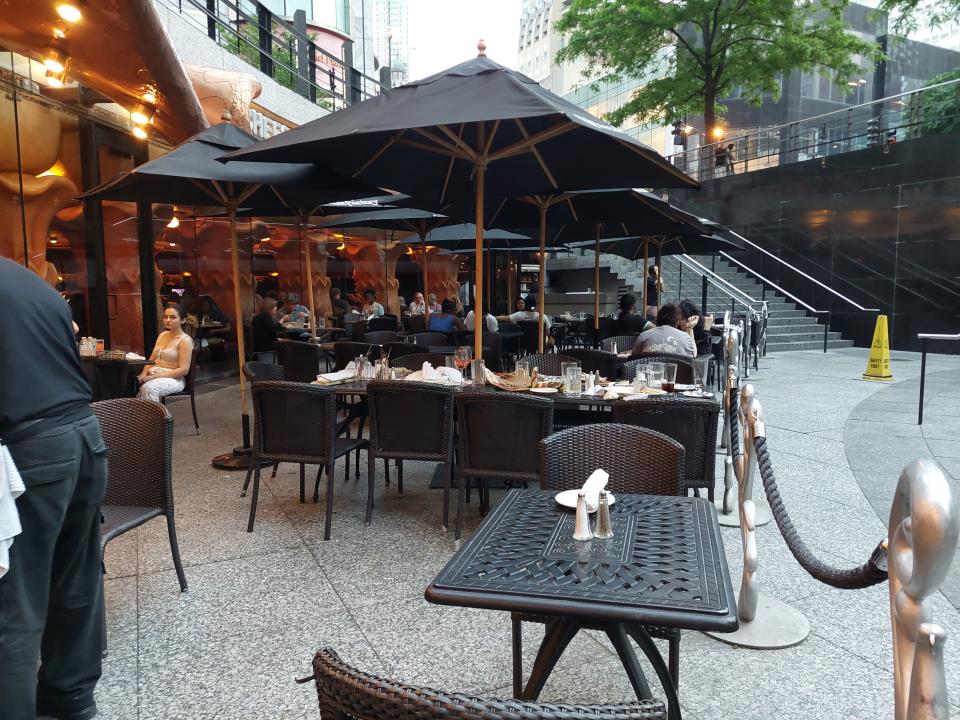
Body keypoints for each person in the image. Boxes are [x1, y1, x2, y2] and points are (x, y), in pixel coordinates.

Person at [0, 257, 108, 720]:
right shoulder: (30, 282)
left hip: (31, 450)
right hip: (86, 435)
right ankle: (70, 697)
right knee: (77, 576)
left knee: (14, 601)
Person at [137, 305, 195, 403]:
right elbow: (152, 359)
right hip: (155, 372)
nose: (168, 320)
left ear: (183, 320)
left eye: (173, 317)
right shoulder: (162, 335)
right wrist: (143, 374)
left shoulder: (185, 340)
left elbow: (183, 370)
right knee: (131, 384)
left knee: (149, 389)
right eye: (165, 317)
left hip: (174, 379)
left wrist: (152, 377)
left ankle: (158, 418)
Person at [630, 303, 696, 359]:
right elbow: (693, 354)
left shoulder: (644, 335)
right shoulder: (684, 336)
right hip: (677, 373)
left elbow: (634, 357)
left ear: (657, 319)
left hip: (650, 372)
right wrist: (690, 328)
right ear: (677, 322)